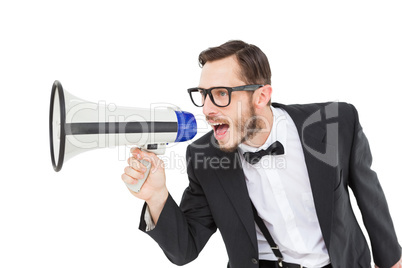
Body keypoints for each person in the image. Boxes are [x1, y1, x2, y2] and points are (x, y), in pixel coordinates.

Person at [121, 40, 401, 268]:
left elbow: (370, 196)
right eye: (202, 94)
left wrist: (392, 261)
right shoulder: (203, 155)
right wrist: (157, 197)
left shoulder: (335, 122)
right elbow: (185, 251)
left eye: (220, 93)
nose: (206, 109)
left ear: (261, 96)